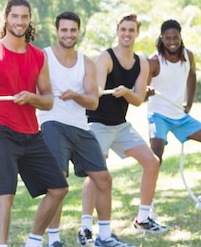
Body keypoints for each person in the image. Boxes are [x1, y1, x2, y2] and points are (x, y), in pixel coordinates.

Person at [0, 0, 68, 247]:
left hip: (31, 132)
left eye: (24, 16)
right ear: (6, 18)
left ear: (29, 19)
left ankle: (34, 241)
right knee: (6, 193)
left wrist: (32, 97)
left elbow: (48, 100)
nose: (20, 21)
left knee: (59, 188)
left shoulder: (38, 56)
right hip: (0, 129)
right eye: (15, 16)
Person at [40, 12, 133, 247]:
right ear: (57, 31)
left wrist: (76, 95)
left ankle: (103, 237)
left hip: (81, 127)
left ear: (78, 32)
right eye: (64, 30)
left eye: (73, 30)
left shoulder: (87, 62)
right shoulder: (44, 57)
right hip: (52, 123)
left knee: (104, 179)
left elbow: (93, 101)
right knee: (57, 182)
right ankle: (54, 240)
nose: (68, 35)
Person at [83, 12, 167, 240]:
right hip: (97, 122)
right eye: (123, 30)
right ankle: (86, 227)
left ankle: (143, 219)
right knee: (96, 173)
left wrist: (127, 92)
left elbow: (139, 100)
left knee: (152, 162)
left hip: (120, 126)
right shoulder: (106, 58)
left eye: (131, 30)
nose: (127, 34)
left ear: (137, 33)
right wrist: (102, 89)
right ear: (117, 32)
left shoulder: (141, 63)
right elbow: (98, 92)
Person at [146, 19, 201, 211]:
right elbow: (142, 91)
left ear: (180, 37)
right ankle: (148, 207)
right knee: (156, 156)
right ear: (162, 38)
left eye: (176, 38)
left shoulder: (188, 56)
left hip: (180, 117)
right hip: (158, 115)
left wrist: (188, 104)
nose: (172, 41)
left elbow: (191, 75)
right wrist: (146, 91)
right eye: (168, 38)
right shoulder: (154, 60)